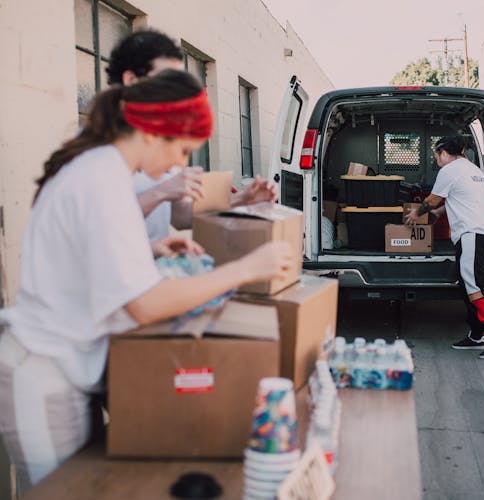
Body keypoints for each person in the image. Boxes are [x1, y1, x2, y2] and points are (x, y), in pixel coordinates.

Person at [0, 69, 293, 492]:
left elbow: (86, 254)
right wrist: (246, 269)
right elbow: (145, 304)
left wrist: (149, 250)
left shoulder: (104, 169)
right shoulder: (102, 178)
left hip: (68, 366)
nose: (182, 164)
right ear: (155, 133)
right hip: (44, 369)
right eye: (183, 150)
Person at [107, 28, 277, 241]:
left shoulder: (166, 144)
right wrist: (162, 192)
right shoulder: (98, 153)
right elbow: (100, 229)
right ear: (131, 80)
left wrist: (242, 199)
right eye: (168, 80)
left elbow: (180, 217)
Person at [405, 135, 484, 360]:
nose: (436, 161)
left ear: (444, 152)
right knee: (467, 285)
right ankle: (476, 334)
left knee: (473, 286)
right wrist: (437, 213)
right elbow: (460, 201)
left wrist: (417, 213)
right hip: (481, 236)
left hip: (470, 235)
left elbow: (433, 199)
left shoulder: (449, 170)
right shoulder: (473, 171)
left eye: (436, 156)